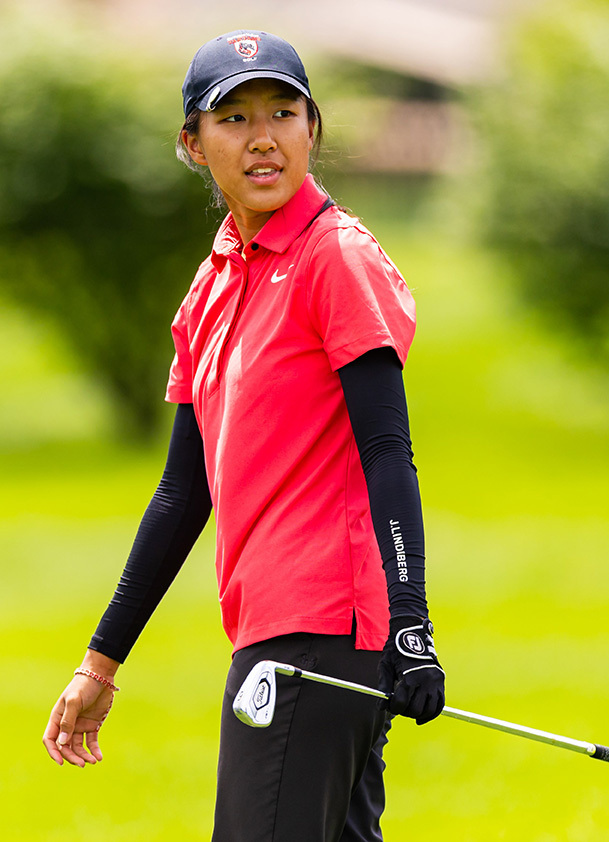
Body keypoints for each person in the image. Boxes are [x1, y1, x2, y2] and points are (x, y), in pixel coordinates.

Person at [43, 30, 445, 842]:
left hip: (323, 633)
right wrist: (101, 663)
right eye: (232, 118)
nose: (262, 137)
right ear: (193, 144)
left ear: (312, 129)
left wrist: (411, 623)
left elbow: (386, 452)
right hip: (272, 626)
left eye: (283, 112)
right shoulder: (218, 275)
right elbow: (181, 493)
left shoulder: (336, 257)